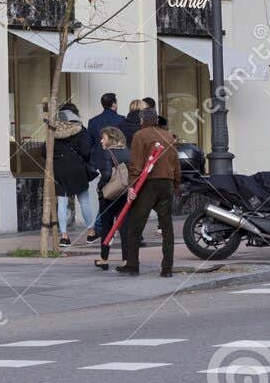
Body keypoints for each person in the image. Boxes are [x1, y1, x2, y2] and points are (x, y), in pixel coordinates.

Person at [117, 110, 179, 277]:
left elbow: (136, 163)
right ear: (156, 120)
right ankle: (167, 268)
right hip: (166, 182)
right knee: (167, 227)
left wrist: (132, 185)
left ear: (142, 120)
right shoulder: (169, 136)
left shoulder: (140, 135)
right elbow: (176, 163)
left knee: (135, 225)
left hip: (147, 183)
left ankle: (132, 263)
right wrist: (176, 183)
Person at [51, 106, 98, 247]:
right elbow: (86, 150)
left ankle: (64, 237)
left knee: (62, 203)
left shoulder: (53, 130)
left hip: (59, 170)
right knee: (84, 201)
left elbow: (44, 151)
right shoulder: (81, 130)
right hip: (78, 170)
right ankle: (90, 233)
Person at [92, 126, 130, 270]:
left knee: (106, 226)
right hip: (125, 192)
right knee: (124, 227)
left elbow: (107, 174)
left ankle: (104, 258)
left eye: (104, 138)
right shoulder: (127, 151)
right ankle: (126, 259)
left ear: (111, 139)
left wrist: (100, 187)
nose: (101, 140)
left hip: (109, 195)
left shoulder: (107, 153)